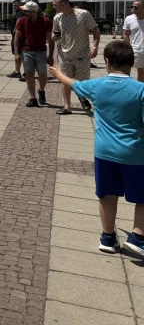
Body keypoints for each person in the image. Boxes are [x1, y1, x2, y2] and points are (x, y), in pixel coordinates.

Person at [48, 41, 144, 256]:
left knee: (107, 196)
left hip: (105, 152)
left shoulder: (96, 86)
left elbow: (72, 83)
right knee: (142, 197)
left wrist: (58, 71)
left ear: (107, 62)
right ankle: (138, 236)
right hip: (136, 154)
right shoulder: (141, 90)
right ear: (132, 63)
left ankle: (108, 237)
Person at [52, 0, 101, 115]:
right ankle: (67, 106)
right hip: (64, 55)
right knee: (65, 81)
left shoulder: (83, 14)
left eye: (55, 5)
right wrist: (54, 36)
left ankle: (82, 97)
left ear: (63, 4)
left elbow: (95, 30)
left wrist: (94, 47)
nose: (53, 8)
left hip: (82, 55)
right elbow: (53, 34)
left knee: (83, 83)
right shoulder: (57, 18)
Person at [15, 1, 54, 107]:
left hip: (41, 51)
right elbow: (17, 37)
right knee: (29, 74)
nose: (23, 12)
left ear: (31, 11)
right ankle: (33, 98)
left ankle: (41, 90)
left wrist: (50, 55)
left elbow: (50, 39)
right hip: (27, 50)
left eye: (25, 10)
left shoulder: (45, 21)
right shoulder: (22, 20)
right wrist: (17, 53)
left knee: (42, 74)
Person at [8, 0, 25, 79]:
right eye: (13, 5)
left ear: (20, 5)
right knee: (17, 54)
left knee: (18, 54)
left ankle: (19, 72)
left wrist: (15, 29)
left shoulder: (20, 12)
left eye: (16, 5)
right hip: (16, 36)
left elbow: (19, 21)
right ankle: (17, 71)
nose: (14, 7)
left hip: (18, 37)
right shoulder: (20, 12)